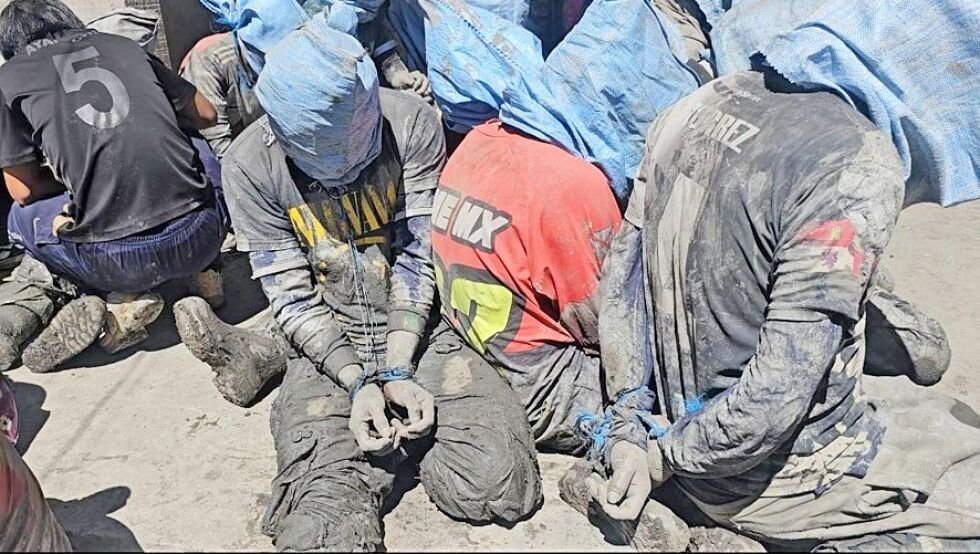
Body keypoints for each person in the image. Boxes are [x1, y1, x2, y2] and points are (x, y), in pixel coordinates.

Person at [176, 13, 541, 550]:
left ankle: (369, 428)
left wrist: (396, 367)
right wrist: (356, 383)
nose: (345, 168)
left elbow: (420, 254)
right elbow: (291, 294)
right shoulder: (251, 164)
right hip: (326, 340)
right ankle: (296, 381)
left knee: (497, 486)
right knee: (324, 529)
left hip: (426, 329)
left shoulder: (412, 124)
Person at [586, 69, 980, 551]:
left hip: (676, 432)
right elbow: (774, 397)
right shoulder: (854, 160)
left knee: (931, 394)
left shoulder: (703, 101)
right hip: (769, 477)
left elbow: (622, 281)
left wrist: (628, 424)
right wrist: (661, 460)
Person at [0, 0, 226, 373]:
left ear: (11, 46)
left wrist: (72, 184)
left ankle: (115, 296)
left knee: (19, 217)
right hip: (202, 233)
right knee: (197, 145)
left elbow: (22, 190)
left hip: (114, 262)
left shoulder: (9, 79)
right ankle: (205, 271)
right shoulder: (123, 46)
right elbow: (206, 114)